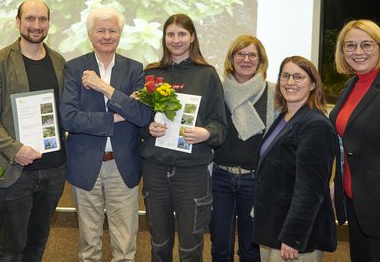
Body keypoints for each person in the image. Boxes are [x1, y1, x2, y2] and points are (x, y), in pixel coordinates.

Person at [60, 6, 152, 262]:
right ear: (90, 34)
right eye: (101, 30)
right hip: (85, 164)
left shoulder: (134, 69)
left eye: (113, 30)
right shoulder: (74, 67)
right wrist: (117, 116)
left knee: (125, 247)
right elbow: (69, 118)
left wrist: (104, 88)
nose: (107, 35)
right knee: (89, 246)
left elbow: (143, 115)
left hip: (122, 166)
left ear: (120, 34)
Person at [0, 0, 67, 262]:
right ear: (18, 22)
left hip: (53, 169)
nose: (36, 25)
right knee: (11, 247)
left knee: (38, 241)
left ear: (49, 23)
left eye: (42, 19)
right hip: (15, 171)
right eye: (30, 19)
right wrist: (15, 150)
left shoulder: (59, 62)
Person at [141, 14, 227, 262]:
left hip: (192, 172)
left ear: (192, 38)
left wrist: (205, 133)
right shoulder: (151, 73)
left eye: (181, 34)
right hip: (155, 169)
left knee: (190, 247)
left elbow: (221, 125)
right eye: (171, 34)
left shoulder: (207, 75)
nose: (176, 40)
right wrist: (148, 129)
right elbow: (138, 122)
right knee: (159, 244)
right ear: (164, 38)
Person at [329, 19, 380, 261]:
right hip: (357, 206)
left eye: (366, 44)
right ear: (342, 52)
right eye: (350, 45)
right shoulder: (349, 88)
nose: (358, 52)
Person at [253, 56, 341, 262]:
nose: (290, 82)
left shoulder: (315, 124)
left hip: (296, 236)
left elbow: (310, 189)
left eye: (298, 77)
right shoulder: (285, 117)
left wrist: (294, 236)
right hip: (274, 226)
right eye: (285, 76)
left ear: (312, 84)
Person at [210, 35, 275, 262]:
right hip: (219, 178)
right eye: (240, 54)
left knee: (251, 248)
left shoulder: (274, 93)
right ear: (231, 58)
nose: (246, 59)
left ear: (260, 61)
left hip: (256, 180)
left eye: (252, 55)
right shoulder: (216, 90)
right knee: (220, 246)